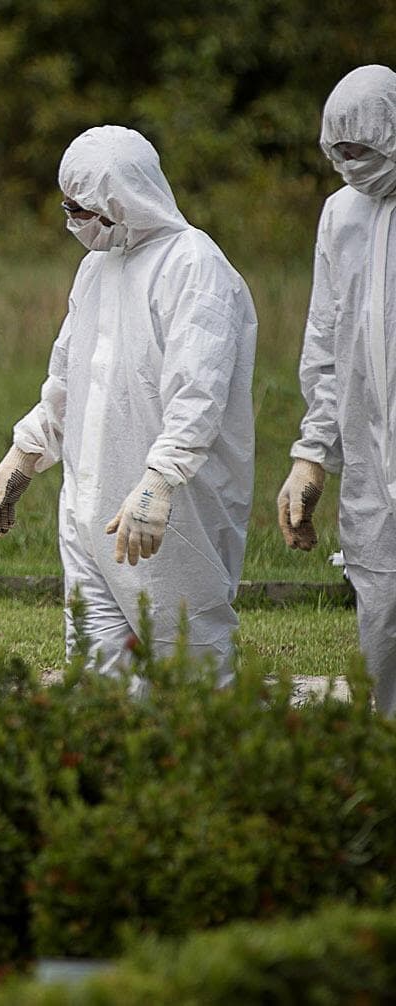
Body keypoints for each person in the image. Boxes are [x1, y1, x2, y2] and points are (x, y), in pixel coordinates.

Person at [0, 125, 257, 680]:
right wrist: (26, 455)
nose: (72, 221)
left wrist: (160, 481)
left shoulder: (193, 266)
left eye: (81, 209)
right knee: (98, 672)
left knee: (190, 660)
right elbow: (69, 379)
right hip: (88, 508)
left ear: (119, 204)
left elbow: (198, 391)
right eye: (69, 207)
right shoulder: (95, 269)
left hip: (171, 511)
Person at [278, 65, 396, 713]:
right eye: (338, 153)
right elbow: (325, 343)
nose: (351, 165)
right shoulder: (340, 216)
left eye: (364, 152)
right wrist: (310, 457)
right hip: (371, 465)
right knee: (379, 613)